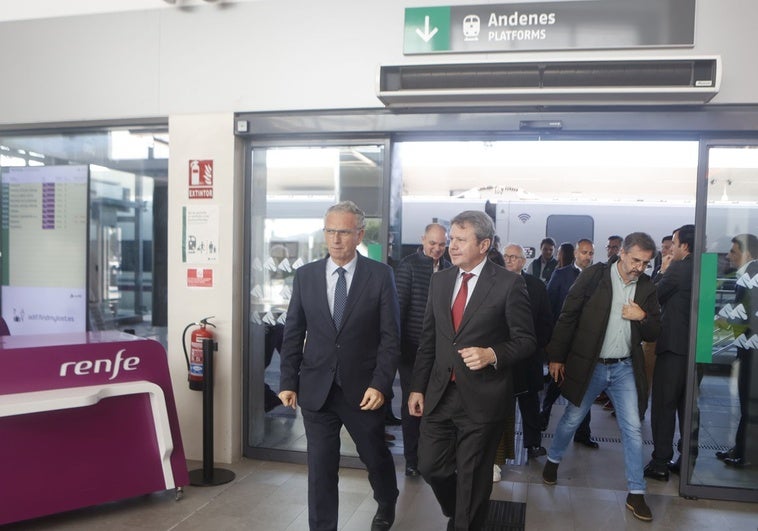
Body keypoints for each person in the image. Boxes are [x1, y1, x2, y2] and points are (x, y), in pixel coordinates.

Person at [409, 210, 536, 531]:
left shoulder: (509, 284)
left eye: (461, 240)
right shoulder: (440, 281)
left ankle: (466, 518)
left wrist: (492, 353)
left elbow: (526, 341)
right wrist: (416, 387)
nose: (452, 246)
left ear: (484, 245)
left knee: (472, 476)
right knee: (430, 466)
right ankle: (460, 508)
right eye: (452, 239)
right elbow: (428, 340)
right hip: (440, 394)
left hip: (484, 397)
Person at [278, 200, 400, 531]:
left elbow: (391, 338)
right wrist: (288, 381)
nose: (335, 239)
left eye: (343, 232)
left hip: (363, 390)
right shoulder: (305, 276)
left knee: (374, 456)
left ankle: (387, 499)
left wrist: (380, 384)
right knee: (320, 469)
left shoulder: (380, 276)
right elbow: (294, 332)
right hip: (317, 389)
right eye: (330, 231)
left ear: (359, 234)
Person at [542, 232, 662, 522]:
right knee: (572, 416)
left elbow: (655, 331)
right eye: (635, 260)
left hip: (624, 368)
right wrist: (556, 356)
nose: (639, 268)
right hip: (591, 364)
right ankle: (553, 460)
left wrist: (642, 317)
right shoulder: (594, 277)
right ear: (621, 253)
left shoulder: (645, 286)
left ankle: (636, 492)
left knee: (633, 428)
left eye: (646, 263)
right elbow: (567, 315)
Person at [394, 223, 452, 477]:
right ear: (422, 240)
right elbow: (398, 309)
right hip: (412, 349)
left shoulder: (451, 269)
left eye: (442, 244)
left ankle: (431, 455)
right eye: (432, 243)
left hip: (440, 351)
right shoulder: (408, 266)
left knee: (436, 402)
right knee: (412, 402)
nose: (437, 249)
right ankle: (412, 458)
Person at [644, 225, 695, 482]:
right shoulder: (703, 269)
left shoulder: (678, 267)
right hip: (693, 352)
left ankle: (660, 462)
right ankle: (686, 460)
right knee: (687, 408)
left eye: (673, 244)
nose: (670, 249)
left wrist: (661, 271)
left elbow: (653, 298)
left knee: (664, 405)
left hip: (673, 348)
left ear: (685, 246)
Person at [541, 239, 599, 449]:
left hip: (585, 342)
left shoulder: (598, 277)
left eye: (591, 253)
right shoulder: (561, 274)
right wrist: (552, 342)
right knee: (557, 383)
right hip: (564, 340)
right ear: (576, 253)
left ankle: (583, 433)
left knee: (585, 387)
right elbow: (550, 306)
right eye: (584, 252)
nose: (587, 257)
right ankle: (543, 417)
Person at [502, 244, 553, 460]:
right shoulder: (494, 283)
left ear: (523, 261)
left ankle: (533, 444)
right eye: (506, 256)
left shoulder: (536, 286)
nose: (509, 260)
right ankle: (500, 449)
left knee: (530, 402)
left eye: (514, 257)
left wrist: (534, 345)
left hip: (529, 354)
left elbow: (546, 320)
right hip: (502, 356)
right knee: (502, 405)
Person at [715, 233, 758, 468]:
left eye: (733, 252)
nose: (729, 256)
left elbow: (746, 315)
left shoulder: (750, 275)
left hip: (753, 352)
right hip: (749, 350)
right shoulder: (751, 274)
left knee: (749, 403)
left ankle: (746, 455)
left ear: (748, 254)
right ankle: (740, 448)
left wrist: (721, 319)